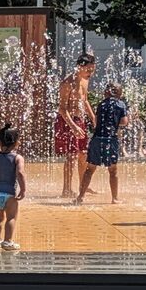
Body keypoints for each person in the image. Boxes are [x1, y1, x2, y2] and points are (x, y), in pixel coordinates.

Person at [77, 83, 129, 205]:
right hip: (110, 140)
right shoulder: (120, 104)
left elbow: (98, 120)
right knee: (113, 171)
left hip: (96, 139)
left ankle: (80, 197)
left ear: (107, 92)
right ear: (118, 94)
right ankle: (115, 198)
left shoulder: (102, 104)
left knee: (89, 170)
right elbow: (124, 122)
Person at [56, 53, 97, 197]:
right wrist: (73, 126)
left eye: (92, 70)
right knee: (71, 155)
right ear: (80, 67)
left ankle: (82, 186)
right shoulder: (67, 83)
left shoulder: (85, 81)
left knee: (84, 155)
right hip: (68, 121)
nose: (90, 73)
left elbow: (84, 101)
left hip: (80, 121)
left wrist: (93, 118)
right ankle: (66, 189)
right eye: (88, 70)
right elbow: (62, 108)